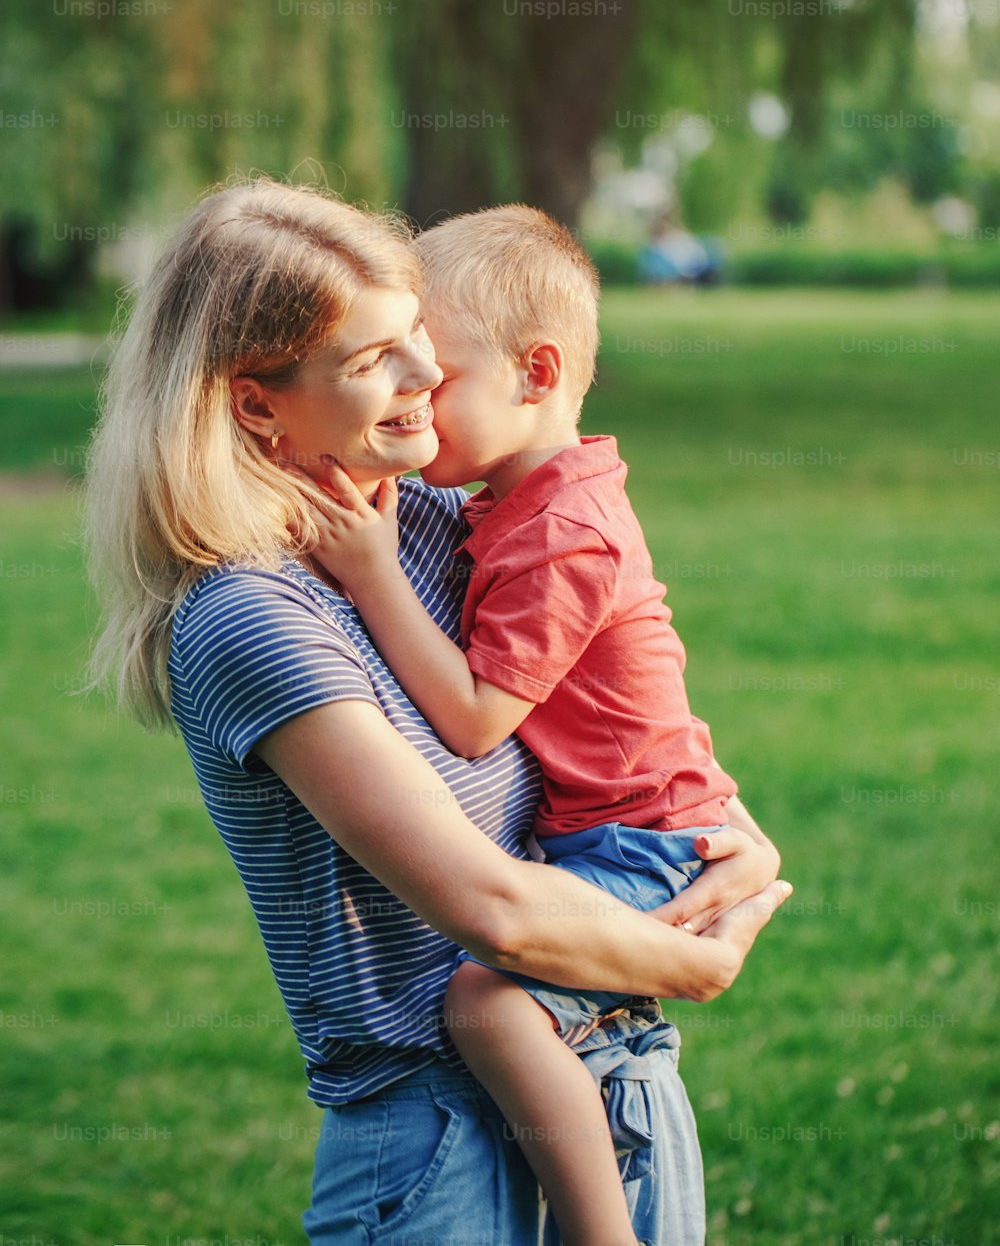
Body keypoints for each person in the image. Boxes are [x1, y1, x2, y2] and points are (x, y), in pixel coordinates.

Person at [84, 178, 789, 1246]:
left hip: (613, 1068)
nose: (427, 378)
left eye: (418, 335)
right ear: (255, 402)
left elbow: (607, 695)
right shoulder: (247, 616)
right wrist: (699, 953)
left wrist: (724, 830)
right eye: (375, 361)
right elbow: (492, 910)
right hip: (438, 1141)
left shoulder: (424, 515)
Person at [307, 204, 766, 1245]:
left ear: (537, 372)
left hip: (642, 837)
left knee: (488, 1006)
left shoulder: (564, 531)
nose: (415, 391)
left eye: (438, 373)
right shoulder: (512, 498)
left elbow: (474, 720)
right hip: (615, 826)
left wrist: (373, 573)